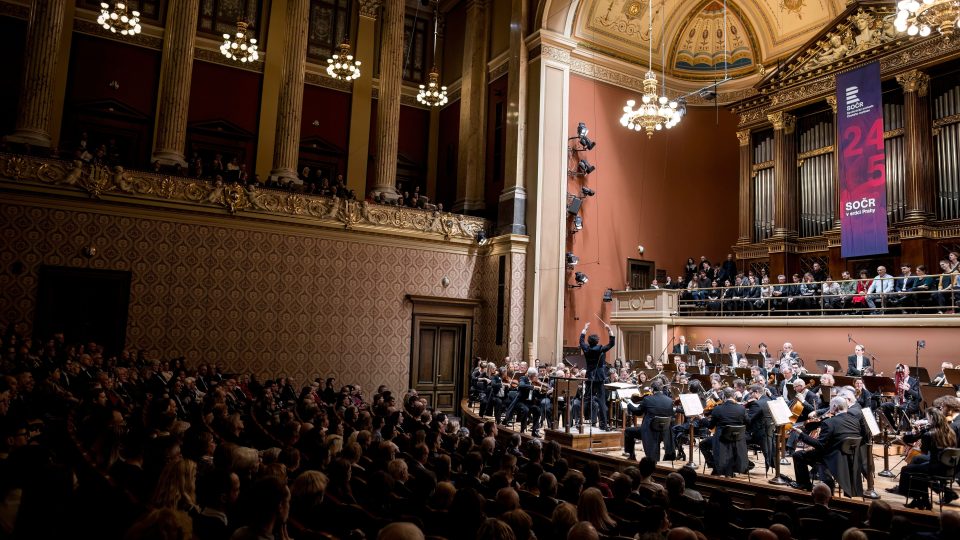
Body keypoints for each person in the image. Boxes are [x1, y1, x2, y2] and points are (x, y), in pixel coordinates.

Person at [885, 407, 958, 509]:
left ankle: (917, 498)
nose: (927, 421)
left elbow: (924, 451)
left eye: (928, 418)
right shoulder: (950, 432)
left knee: (906, 470)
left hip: (935, 468)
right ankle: (923, 501)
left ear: (932, 419)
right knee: (918, 468)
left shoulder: (929, 434)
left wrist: (919, 435)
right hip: (949, 468)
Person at [790, 396, 863, 497]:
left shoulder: (829, 423)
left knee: (798, 455)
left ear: (834, 407)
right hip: (850, 457)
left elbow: (820, 445)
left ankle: (804, 484)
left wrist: (802, 435)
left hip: (832, 458)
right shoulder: (855, 420)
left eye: (830, 406)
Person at [700, 387, 748, 476]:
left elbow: (711, 426)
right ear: (734, 396)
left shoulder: (718, 409)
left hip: (721, 440)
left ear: (723, 397)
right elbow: (747, 422)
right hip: (738, 440)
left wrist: (702, 419)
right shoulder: (741, 409)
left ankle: (715, 466)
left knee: (703, 444)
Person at [623, 380, 674, 462]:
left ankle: (631, 455)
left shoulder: (648, 399)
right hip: (664, 433)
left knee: (628, 431)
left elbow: (638, 412)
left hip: (650, 432)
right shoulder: (669, 400)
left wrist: (629, 403)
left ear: (652, 389)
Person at [579, 321, 614, 431]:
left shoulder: (586, 349)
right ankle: (603, 425)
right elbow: (611, 343)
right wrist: (609, 330)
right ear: (597, 341)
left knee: (586, 399)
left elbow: (581, 341)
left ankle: (580, 421)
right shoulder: (600, 349)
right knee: (601, 401)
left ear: (589, 342)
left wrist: (585, 329)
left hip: (590, 375)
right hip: (599, 377)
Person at [881, 364, 921, 431]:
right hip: (898, 403)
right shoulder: (898, 380)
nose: (902, 372)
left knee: (902, 407)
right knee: (884, 406)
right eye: (901, 371)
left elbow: (918, 396)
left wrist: (908, 389)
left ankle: (905, 430)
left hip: (910, 403)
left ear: (908, 372)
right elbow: (893, 393)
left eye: (904, 371)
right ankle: (893, 426)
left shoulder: (914, 381)